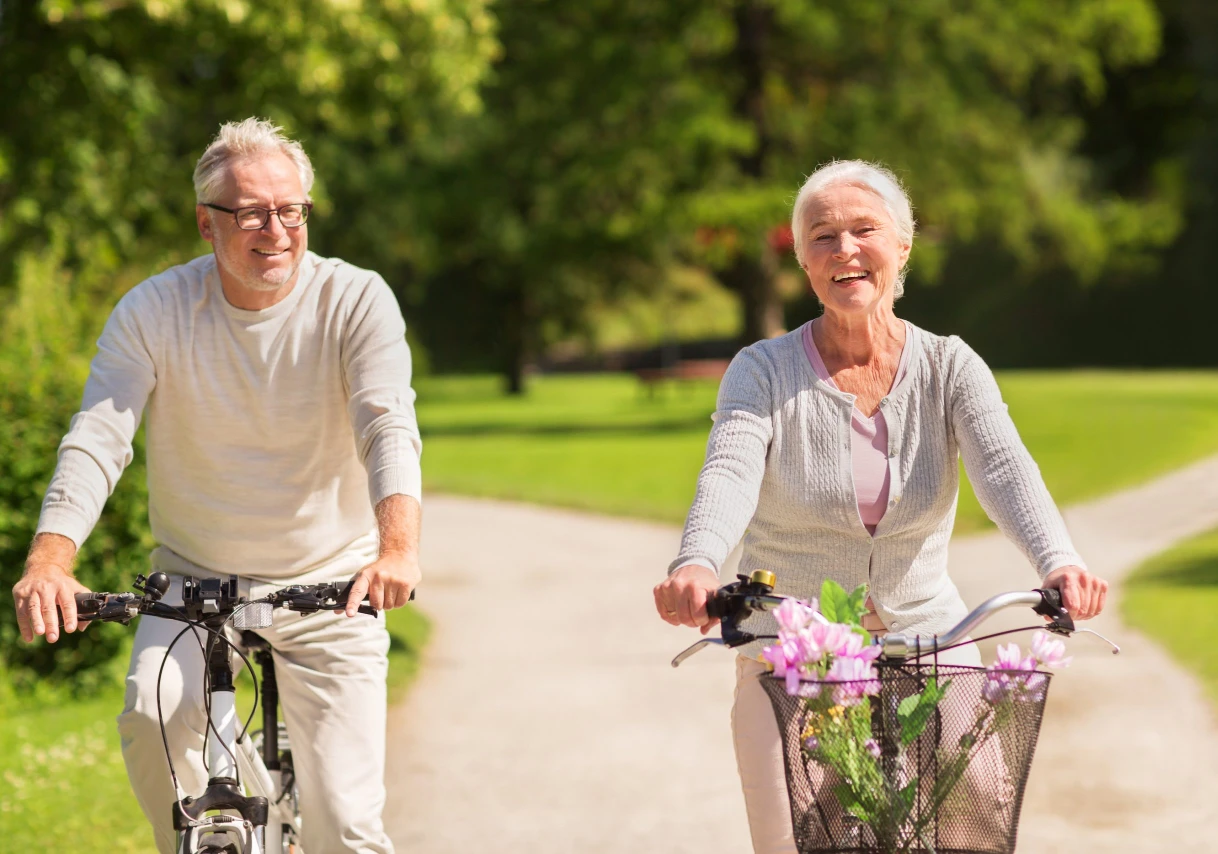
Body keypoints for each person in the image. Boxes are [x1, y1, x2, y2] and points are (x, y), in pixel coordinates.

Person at [652, 160, 1108, 854]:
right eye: (822, 236)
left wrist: (1059, 560)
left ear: (902, 247)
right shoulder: (763, 370)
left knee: (979, 802)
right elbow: (729, 468)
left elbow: (1006, 468)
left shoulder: (950, 366)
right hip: (794, 646)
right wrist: (697, 561)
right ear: (803, 261)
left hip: (927, 634)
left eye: (864, 230)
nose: (844, 250)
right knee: (791, 830)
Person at [10, 118, 421, 854]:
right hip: (193, 585)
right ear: (206, 222)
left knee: (347, 826)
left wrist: (396, 549)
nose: (276, 229)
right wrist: (51, 560)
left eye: (291, 209)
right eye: (252, 212)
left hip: (331, 588)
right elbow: (100, 437)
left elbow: (387, 426)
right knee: (151, 717)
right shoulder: (153, 311)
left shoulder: (355, 300)